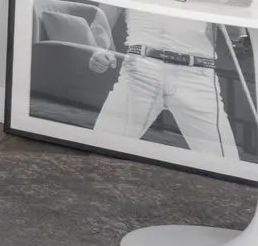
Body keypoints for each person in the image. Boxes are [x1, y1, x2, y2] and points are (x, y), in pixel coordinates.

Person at [91, 9, 239, 157]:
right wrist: (98, 50)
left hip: (197, 75)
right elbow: (100, 25)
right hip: (141, 69)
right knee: (103, 146)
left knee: (225, 162)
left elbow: (235, 35)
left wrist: (231, 8)